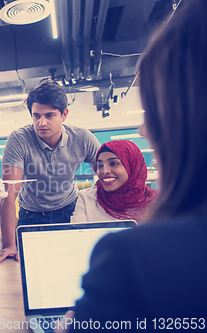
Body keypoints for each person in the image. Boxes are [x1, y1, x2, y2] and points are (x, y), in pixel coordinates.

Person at [54, 1, 207, 331]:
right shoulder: (89, 203)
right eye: (100, 165)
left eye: (154, 108)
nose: (144, 129)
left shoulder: (134, 256)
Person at [0, 79, 100, 264]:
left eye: (49, 115)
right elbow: (9, 195)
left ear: (64, 114)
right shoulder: (19, 139)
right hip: (31, 216)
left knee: (71, 265)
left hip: (70, 212)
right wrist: (9, 245)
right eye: (36, 116)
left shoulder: (82, 138)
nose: (42, 122)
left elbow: (107, 176)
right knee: (24, 269)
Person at [71, 140, 158, 224]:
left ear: (132, 166)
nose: (105, 171)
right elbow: (77, 236)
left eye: (113, 163)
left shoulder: (158, 201)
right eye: (100, 165)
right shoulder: (86, 199)